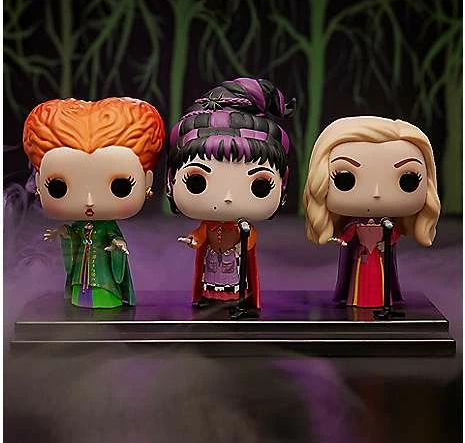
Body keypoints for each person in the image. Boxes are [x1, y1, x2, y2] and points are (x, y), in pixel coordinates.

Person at [167, 77, 295, 315]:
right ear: (171, 178)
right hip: (213, 256)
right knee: (211, 276)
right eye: (196, 182)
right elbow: (200, 234)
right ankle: (210, 297)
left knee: (232, 277)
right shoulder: (208, 225)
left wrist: (243, 239)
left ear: (283, 183)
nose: (227, 198)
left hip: (231, 258)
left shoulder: (241, 227)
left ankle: (235, 298)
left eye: (260, 185)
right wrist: (193, 239)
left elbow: (251, 240)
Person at [22, 97, 165, 308]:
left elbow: (114, 237)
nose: (89, 202)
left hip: (103, 271)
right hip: (82, 268)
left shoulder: (107, 227)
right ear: (38, 183)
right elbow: (73, 234)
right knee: (81, 288)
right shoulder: (80, 225)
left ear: (147, 182)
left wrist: (118, 244)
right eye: (58, 187)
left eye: (120, 186)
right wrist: (63, 232)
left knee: (102, 289)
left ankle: (107, 297)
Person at [303, 116, 440, 308]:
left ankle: (382, 301)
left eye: (407, 180)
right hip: (362, 257)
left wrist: (384, 244)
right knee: (359, 281)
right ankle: (357, 300)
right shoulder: (354, 226)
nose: (376, 193)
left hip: (378, 258)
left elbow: (392, 237)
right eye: (345, 179)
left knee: (380, 281)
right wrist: (338, 240)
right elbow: (345, 238)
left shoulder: (388, 226)